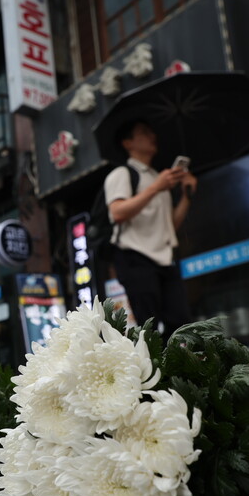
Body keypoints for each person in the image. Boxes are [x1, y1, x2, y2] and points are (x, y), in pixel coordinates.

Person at [104, 120, 197, 336]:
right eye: (143, 132)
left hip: (164, 258)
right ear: (128, 143)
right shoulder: (122, 174)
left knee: (182, 324)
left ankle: (178, 368)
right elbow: (117, 212)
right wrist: (157, 187)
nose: (151, 135)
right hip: (135, 258)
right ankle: (156, 369)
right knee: (149, 328)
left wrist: (186, 196)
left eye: (150, 130)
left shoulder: (158, 178)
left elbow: (170, 227)